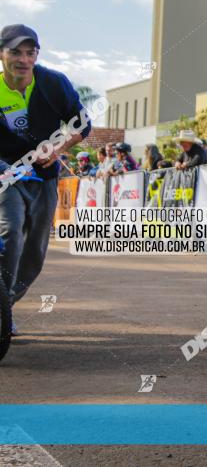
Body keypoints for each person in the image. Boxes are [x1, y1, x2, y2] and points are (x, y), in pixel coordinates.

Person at [0, 24, 91, 336]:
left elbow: (82, 124)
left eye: (30, 52)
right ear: (2, 55)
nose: (23, 59)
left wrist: (60, 147)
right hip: (6, 174)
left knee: (35, 252)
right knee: (11, 233)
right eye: (15, 52)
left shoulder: (53, 83)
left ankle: (5, 304)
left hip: (45, 176)